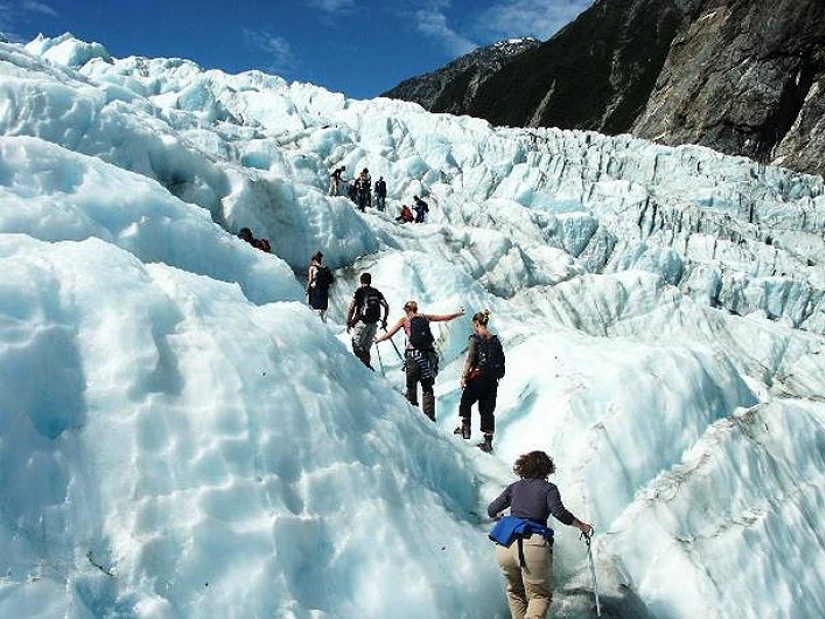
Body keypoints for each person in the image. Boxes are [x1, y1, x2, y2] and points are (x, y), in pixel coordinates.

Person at [488, 451, 594, 619]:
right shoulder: (548, 488)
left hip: (505, 544)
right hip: (533, 543)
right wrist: (581, 526)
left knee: (515, 592)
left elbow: (491, 510)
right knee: (539, 596)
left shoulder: (514, 487)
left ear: (523, 467)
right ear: (546, 469)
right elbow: (559, 512)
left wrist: (498, 516)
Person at [375, 301, 464, 421]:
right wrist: (458, 314)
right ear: (416, 308)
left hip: (412, 356)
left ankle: (414, 417)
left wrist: (378, 340)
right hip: (427, 356)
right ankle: (430, 418)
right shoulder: (424, 317)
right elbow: (444, 318)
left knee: (411, 386)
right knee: (427, 388)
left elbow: (390, 334)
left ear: (406, 310)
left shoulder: (404, 320)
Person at [454, 309, 504, 452]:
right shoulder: (495, 340)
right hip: (492, 380)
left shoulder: (475, 339)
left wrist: (464, 376)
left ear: (477, 323)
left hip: (478, 377)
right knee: (487, 409)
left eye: (473, 325)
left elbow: (470, 358)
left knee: (466, 401)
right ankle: (488, 442)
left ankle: (465, 429)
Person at [346, 272, 389, 369]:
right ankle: (367, 369)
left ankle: (364, 368)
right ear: (370, 281)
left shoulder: (359, 291)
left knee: (357, 348)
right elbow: (386, 306)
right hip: (373, 324)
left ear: (361, 281)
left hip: (362, 323)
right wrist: (384, 320)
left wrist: (349, 322)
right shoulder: (376, 292)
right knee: (366, 349)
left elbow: (351, 308)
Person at [306, 251, 333, 322]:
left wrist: (307, 290)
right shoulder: (325, 268)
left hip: (315, 291)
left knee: (314, 310)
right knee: (323, 311)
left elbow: (310, 280)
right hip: (324, 292)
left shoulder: (312, 267)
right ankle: (324, 324)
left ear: (314, 260)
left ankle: (316, 325)